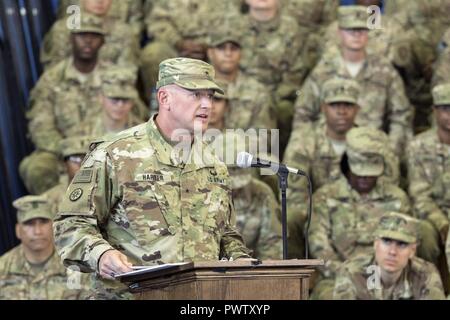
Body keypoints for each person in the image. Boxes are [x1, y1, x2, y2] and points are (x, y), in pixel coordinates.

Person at [53, 58, 252, 300]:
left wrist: (241, 260)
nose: (207, 104)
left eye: (210, 96)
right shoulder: (116, 154)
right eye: (195, 94)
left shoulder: (214, 164)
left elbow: (226, 235)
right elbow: (70, 224)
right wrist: (101, 254)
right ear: (164, 98)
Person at [284, 79, 399, 258]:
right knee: (290, 219)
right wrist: (325, 212)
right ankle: (299, 272)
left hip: (365, 205)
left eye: (348, 105)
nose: (341, 111)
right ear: (323, 108)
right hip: (318, 209)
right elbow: (294, 194)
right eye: (335, 105)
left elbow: (388, 184)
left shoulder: (372, 141)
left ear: (357, 109)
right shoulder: (304, 142)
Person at [293, 5, 413, 157]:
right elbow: (303, 114)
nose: (357, 35)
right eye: (351, 30)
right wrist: (308, 148)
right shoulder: (323, 71)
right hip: (328, 153)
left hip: (372, 152)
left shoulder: (384, 71)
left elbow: (401, 115)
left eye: (362, 30)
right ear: (339, 32)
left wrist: (390, 150)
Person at [308, 127, 412, 300]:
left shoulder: (397, 198)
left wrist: (384, 276)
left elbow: (406, 245)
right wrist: (350, 274)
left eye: (370, 174)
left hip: (389, 278)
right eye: (359, 172)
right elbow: (319, 247)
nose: (364, 178)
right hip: (337, 276)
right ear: (348, 165)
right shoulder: (325, 197)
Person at [19, 13, 107, 195]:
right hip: (62, 154)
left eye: (94, 35)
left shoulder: (115, 76)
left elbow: (131, 119)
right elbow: (40, 126)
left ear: (102, 41)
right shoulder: (52, 79)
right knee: (36, 167)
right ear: (70, 39)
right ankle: (53, 220)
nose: (88, 41)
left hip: (106, 152)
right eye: (82, 35)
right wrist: (70, 154)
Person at [333, 211, 445, 300]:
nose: (392, 252)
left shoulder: (426, 274)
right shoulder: (352, 272)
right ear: (375, 244)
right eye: (386, 241)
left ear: (412, 251)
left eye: (402, 244)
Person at [0, 196, 90, 300]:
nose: (38, 231)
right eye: (29, 224)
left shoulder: (78, 267)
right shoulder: (2, 269)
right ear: (18, 230)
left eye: (43, 222)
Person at [407, 83, 450, 265]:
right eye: (445, 109)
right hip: (432, 216)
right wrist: (441, 223)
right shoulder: (418, 146)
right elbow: (419, 195)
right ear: (434, 111)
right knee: (423, 236)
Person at [42, 0, 140, 69]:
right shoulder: (64, 29)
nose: (100, 1)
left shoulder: (124, 32)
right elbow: (54, 71)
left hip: (111, 89)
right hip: (71, 90)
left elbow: (128, 71)